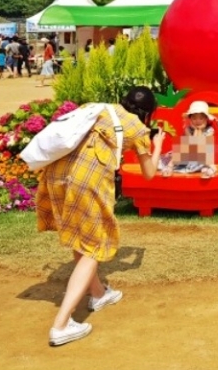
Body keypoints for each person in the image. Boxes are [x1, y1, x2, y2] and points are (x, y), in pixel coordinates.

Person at [36, 86, 165, 347]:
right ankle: (61, 324)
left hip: (56, 175)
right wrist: (157, 145)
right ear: (149, 113)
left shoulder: (97, 108)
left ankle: (98, 294)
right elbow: (149, 172)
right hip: (86, 181)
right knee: (95, 246)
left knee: (81, 239)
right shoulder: (138, 128)